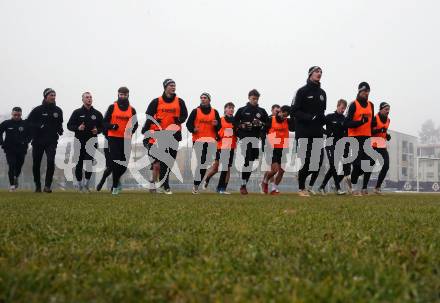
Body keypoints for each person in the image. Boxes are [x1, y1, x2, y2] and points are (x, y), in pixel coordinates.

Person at [144, 79, 188, 194]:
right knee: (162, 161)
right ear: (165, 87)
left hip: (174, 135)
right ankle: (165, 185)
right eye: (171, 85)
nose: (173, 87)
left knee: (170, 161)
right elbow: (148, 116)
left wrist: (179, 119)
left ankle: (160, 183)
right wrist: (146, 128)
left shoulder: (180, 101)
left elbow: (185, 115)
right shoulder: (156, 101)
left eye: (174, 85)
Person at [291, 66, 327, 197]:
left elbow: (321, 114)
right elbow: (294, 111)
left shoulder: (323, 93)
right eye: (317, 71)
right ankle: (301, 188)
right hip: (304, 131)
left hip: (317, 132)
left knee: (317, 163)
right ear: (310, 74)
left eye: (321, 72)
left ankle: (301, 175)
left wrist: (326, 126)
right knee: (307, 161)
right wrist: (309, 117)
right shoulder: (301, 91)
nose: (319, 73)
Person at [103, 87, 138, 195]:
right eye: (120, 95)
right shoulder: (112, 107)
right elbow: (104, 123)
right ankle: (114, 187)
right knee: (115, 162)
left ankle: (116, 182)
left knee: (124, 164)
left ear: (128, 95)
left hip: (126, 140)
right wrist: (112, 126)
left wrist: (130, 131)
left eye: (124, 95)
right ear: (118, 95)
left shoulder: (132, 110)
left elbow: (135, 124)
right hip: (113, 138)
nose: (122, 96)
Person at [27, 88, 63, 193]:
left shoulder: (58, 110)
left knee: (51, 161)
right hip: (38, 141)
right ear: (45, 96)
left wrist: (60, 130)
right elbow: (28, 123)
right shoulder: (37, 110)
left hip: (51, 141)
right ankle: (38, 185)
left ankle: (47, 186)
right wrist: (39, 126)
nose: (53, 97)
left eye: (54, 95)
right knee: (36, 164)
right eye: (51, 95)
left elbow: (59, 123)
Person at [234, 89, 269, 195]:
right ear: (249, 97)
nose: (255, 100)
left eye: (257, 99)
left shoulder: (261, 111)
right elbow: (234, 122)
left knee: (251, 162)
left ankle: (243, 184)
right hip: (245, 138)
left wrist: (261, 123)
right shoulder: (242, 110)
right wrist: (241, 125)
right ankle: (243, 186)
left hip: (255, 139)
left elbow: (268, 124)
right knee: (248, 159)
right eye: (253, 98)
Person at [67, 92, 103, 192]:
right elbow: (69, 125)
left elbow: (102, 127)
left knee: (89, 163)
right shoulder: (77, 112)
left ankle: (86, 184)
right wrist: (78, 128)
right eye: (87, 97)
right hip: (79, 142)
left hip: (92, 142)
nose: (89, 99)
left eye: (90, 97)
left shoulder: (97, 113)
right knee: (78, 164)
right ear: (82, 99)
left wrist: (98, 131)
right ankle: (79, 184)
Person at [186, 93, 221, 194]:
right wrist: (193, 129)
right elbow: (188, 124)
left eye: (205, 98)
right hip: (198, 141)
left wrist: (216, 125)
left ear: (209, 100)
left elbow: (219, 128)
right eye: (201, 98)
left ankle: (197, 184)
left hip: (210, 142)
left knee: (204, 164)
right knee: (201, 162)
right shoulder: (195, 111)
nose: (203, 99)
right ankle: (196, 186)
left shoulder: (215, 112)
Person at [345, 82, 375, 196]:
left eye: (368, 92)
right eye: (364, 91)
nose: (366, 94)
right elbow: (346, 123)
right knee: (357, 164)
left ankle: (354, 183)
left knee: (370, 162)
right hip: (355, 137)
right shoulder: (353, 104)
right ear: (359, 91)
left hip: (367, 137)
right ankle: (353, 188)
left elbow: (371, 122)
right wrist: (359, 122)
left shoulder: (371, 105)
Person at [203, 102, 237, 194]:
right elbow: (214, 131)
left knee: (226, 168)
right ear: (225, 109)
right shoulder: (220, 120)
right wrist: (216, 135)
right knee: (217, 168)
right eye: (229, 108)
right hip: (221, 147)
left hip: (231, 147)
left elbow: (237, 132)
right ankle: (209, 180)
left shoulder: (235, 121)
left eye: (232, 108)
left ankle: (223, 188)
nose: (231, 110)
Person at [317, 99, 349, 195]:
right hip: (330, 144)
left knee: (333, 167)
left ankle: (322, 187)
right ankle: (338, 188)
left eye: (344, 109)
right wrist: (326, 132)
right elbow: (319, 125)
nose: (343, 110)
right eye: (342, 108)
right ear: (338, 106)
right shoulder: (330, 117)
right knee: (333, 165)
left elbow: (346, 133)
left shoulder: (344, 119)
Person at [261, 105, 294, 195]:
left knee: (282, 171)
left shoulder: (288, 121)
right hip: (272, 148)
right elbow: (263, 131)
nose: (284, 117)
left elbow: (294, 127)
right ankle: (265, 181)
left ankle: (274, 188)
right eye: (283, 114)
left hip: (283, 148)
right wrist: (264, 141)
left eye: (286, 116)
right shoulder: (271, 119)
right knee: (274, 170)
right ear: (279, 112)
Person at [0, 107, 31, 191]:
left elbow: (30, 134)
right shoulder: (6, 123)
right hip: (9, 149)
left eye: (18, 115)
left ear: (21, 114)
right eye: (15, 115)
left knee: (19, 166)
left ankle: (16, 177)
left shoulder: (25, 124)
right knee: (11, 165)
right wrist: (2, 143)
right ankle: (12, 186)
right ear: (12, 114)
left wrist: (26, 141)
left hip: (22, 149)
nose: (17, 116)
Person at [371, 102, 391, 194]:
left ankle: (377, 187)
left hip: (382, 145)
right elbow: (371, 131)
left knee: (386, 165)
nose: (388, 111)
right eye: (386, 109)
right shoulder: (375, 118)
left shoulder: (388, 120)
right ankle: (360, 185)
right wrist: (379, 130)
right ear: (381, 109)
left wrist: (387, 135)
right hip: (374, 145)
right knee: (368, 166)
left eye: (388, 110)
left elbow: (384, 131)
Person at [260, 104, 281, 192]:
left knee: (275, 168)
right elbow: (263, 132)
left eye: (279, 112)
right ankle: (271, 186)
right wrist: (265, 143)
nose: (277, 113)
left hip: (279, 146)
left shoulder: (281, 121)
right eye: (276, 111)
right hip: (269, 146)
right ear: (272, 110)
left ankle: (265, 183)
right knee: (273, 168)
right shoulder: (268, 119)